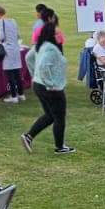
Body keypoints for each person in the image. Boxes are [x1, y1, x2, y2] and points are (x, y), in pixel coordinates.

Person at [22, 18, 73, 154]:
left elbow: (29, 58)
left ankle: (28, 137)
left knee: (50, 115)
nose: (59, 36)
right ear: (50, 34)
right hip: (50, 88)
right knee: (59, 117)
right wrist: (51, 84)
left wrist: (35, 74)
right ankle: (60, 147)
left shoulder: (41, 44)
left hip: (39, 85)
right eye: (57, 34)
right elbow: (44, 66)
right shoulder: (51, 49)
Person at [0, 5, 25, 103]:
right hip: (15, 48)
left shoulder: (0, 22)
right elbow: (18, 35)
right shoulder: (13, 21)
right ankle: (21, 94)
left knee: (10, 74)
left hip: (8, 49)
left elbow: (1, 36)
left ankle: (14, 96)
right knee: (17, 73)